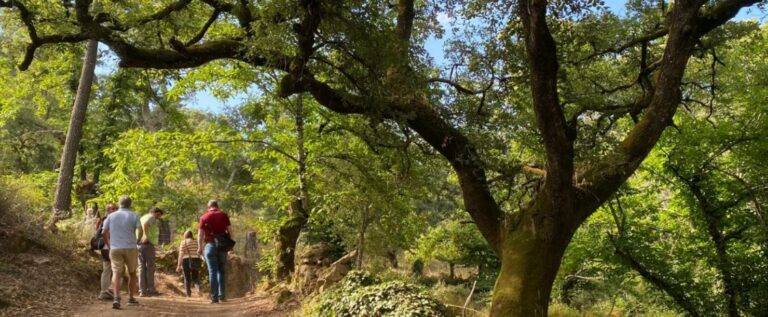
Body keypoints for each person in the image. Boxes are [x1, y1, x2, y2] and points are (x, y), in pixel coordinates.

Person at [102, 195, 143, 310]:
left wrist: (109, 244)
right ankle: (130, 298)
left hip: (115, 248)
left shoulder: (111, 216)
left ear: (119, 204)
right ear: (130, 204)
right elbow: (140, 230)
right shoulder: (134, 215)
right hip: (130, 247)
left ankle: (116, 298)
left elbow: (103, 232)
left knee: (116, 273)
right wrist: (137, 240)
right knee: (132, 273)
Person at [197, 200, 233, 304]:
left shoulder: (204, 217)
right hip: (222, 246)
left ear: (208, 207)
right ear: (217, 206)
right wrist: (230, 246)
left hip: (210, 246)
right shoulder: (224, 215)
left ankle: (214, 298)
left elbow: (200, 234)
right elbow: (230, 231)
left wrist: (199, 247)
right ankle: (222, 296)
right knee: (221, 271)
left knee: (212, 272)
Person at [137, 207, 163, 297]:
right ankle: (151, 289)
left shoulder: (142, 217)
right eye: (158, 214)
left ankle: (142, 290)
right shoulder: (151, 217)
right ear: (154, 212)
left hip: (139, 245)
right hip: (147, 244)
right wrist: (146, 236)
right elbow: (145, 225)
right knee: (150, 267)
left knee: (141, 268)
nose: (158, 217)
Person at [97, 203, 117, 300]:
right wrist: (109, 246)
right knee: (114, 270)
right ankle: (107, 291)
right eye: (110, 209)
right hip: (108, 248)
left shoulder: (104, 219)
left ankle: (105, 292)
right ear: (107, 210)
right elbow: (104, 233)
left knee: (109, 270)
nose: (112, 210)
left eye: (114, 208)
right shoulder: (108, 220)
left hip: (109, 247)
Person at [176, 230, 201, 298]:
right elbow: (200, 251)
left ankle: (188, 295)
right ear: (192, 235)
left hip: (186, 261)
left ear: (185, 235)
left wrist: (178, 265)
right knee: (196, 277)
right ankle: (198, 289)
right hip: (196, 259)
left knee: (187, 278)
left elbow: (181, 254)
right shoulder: (196, 242)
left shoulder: (183, 242)